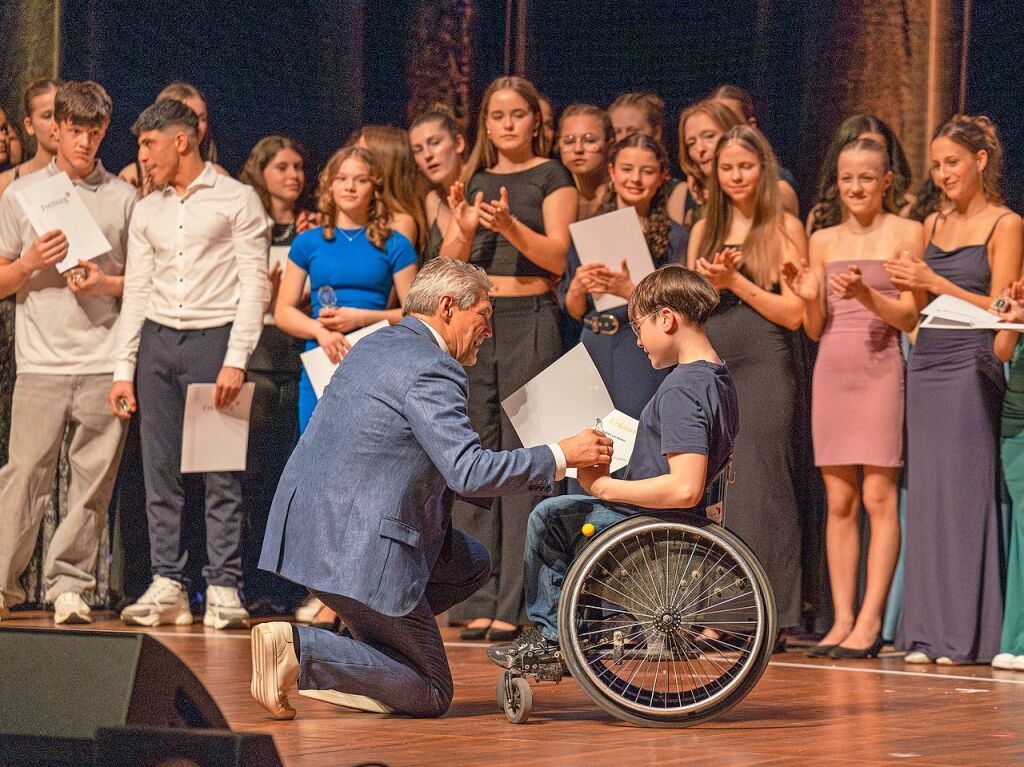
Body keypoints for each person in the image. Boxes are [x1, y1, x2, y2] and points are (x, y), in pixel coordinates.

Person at [250, 257, 614, 719]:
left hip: (307, 530)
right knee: (432, 691)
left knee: (469, 563)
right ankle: (302, 649)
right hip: (359, 545)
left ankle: (357, 655)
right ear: (447, 307)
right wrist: (561, 453)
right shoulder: (435, 368)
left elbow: (401, 452)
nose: (489, 329)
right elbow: (468, 471)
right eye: (483, 314)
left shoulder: (374, 345)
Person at [488, 264, 738, 665]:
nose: (637, 343)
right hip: (663, 513)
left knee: (548, 516)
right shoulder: (716, 377)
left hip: (652, 518)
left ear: (667, 319)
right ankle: (580, 630)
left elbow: (684, 487)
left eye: (639, 328)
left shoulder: (682, 391)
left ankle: (554, 638)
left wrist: (603, 487)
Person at [109, 98, 271, 630]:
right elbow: (136, 290)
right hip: (158, 342)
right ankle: (168, 583)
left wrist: (235, 359)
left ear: (182, 140)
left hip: (213, 339)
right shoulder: (148, 208)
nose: (142, 157)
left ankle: (223, 584)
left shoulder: (236, 199)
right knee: (160, 473)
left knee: (219, 469)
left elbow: (255, 284)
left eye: (148, 145)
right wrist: (121, 368)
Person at [439, 75, 577, 641]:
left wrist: (510, 225)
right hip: (477, 321)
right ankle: (476, 599)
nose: (507, 125)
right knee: (474, 454)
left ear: (533, 120)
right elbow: (449, 261)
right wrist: (466, 228)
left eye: (517, 114)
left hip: (530, 319)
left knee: (525, 456)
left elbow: (556, 256)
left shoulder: (552, 176)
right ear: (485, 124)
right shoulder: (475, 180)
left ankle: (519, 603)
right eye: (497, 116)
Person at [888, 115, 1022, 665]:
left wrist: (937, 283)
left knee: (965, 497)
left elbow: (1003, 310)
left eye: (953, 163)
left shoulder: (1006, 224)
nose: (943, 175)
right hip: (928, 361)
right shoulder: (930, 224)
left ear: (981, 161)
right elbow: (912, 313)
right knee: (928, 500)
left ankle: (964, 634)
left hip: (971, 363)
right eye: (937, 165)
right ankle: (925, 631)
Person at [0, 81, 136, 624]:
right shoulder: (22, 195)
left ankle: (68, 585)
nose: (83, 141)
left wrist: (104, 283)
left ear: (104, 131)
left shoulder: (123, 198)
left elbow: (141, 282)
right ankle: (5, 583)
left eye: (93, 131)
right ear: (53, 127)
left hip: (102, 358)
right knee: (24, 476)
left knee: (90, 485)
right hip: (42, 361)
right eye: (73, 129)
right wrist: (31, 261)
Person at [784, 138, 922, 658]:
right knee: (839, 501)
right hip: (834, 371)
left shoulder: (908, 232)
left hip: (882, 369)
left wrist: (868, 295)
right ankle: (841, 620)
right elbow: (816, 328)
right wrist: (806, 299)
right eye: (847, 178)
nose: (856, 187)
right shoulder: (822, 240)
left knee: (878, 498)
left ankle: (870, 621)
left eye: (867, 177)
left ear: (887, 179)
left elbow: (911, 317)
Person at [688, 124, 807, 641]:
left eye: (746, 166)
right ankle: (723, 613)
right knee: (718, 485)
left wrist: (736, 281)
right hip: (715, 361)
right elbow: (689, 306)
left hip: (763, 361)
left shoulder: (782, 227)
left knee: (763, 483)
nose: (736, 176)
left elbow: (796, 313)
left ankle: (773, 613)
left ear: (764, 170)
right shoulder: (703, 228)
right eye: (727, 167)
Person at [275, 145, 419, 433]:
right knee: (315, 451)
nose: (350, 186)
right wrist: (320, 332)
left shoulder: (395, 243)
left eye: (360, 180)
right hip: (322, 357)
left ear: (375, 187)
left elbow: (415, 315)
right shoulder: (308, 242)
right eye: (342, 178)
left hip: (374, 360)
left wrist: (362, 318)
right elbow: (283, 310)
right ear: (330, 184)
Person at [237, 136, 317, 616]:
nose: (293, 175)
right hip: (257, 356)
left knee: (293, 479)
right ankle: (251, 580)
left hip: (302, 357)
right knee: (254, 477)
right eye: (282, 166)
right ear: (260, 172)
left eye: (299, 166)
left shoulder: (315, 230)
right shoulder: (248, 225)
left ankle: (291, 584)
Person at [561, 133, 687, 418]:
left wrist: (631, 290)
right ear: (612, 172)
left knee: (633, 438)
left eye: (647, 171)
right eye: (627, 169)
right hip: (593, 342)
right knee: (590, 441)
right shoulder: (589, 229)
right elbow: (574, 309)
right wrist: (578, 288)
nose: (635, 179)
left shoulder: (675, 237)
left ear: (662, 177)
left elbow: (680, 309)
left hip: (639, 350)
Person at [990, 282, 1024, 670]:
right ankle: (1015, 638)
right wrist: (1012, 320)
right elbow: (1002, 351)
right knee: (1020, 524)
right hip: (1018, 408)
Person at [807, 114, 915, 235]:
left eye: (877, 149)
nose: (868, 155)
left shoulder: (906, 208)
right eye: (861, 147)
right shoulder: (822, 215)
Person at [119, 82, 228, 194]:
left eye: (202, 119)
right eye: (190, 118)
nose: (198, 127)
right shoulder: (133, 178)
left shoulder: (218, 178)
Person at [349, 125, 427, 253]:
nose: (351, 159)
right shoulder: (358, 210)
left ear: (382, 164)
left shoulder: (401, 223)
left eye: (361, 155)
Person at [409, 106, 467, 263]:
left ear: (459, 143)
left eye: (435, 143)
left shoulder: (481, 185)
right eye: (418, 149)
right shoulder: (432, 199)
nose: (427, 155)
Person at [0, 78, 61, 198]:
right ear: (29, 125)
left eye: (61, 114)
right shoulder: (6, 184)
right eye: (47, 116)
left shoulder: (88, 180)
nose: (56, 124)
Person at [558, 103, 612, 222]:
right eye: (569, 141)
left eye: (589, 140)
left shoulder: (625, 195)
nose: (578, 149)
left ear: (611, 145)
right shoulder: (553, 198)